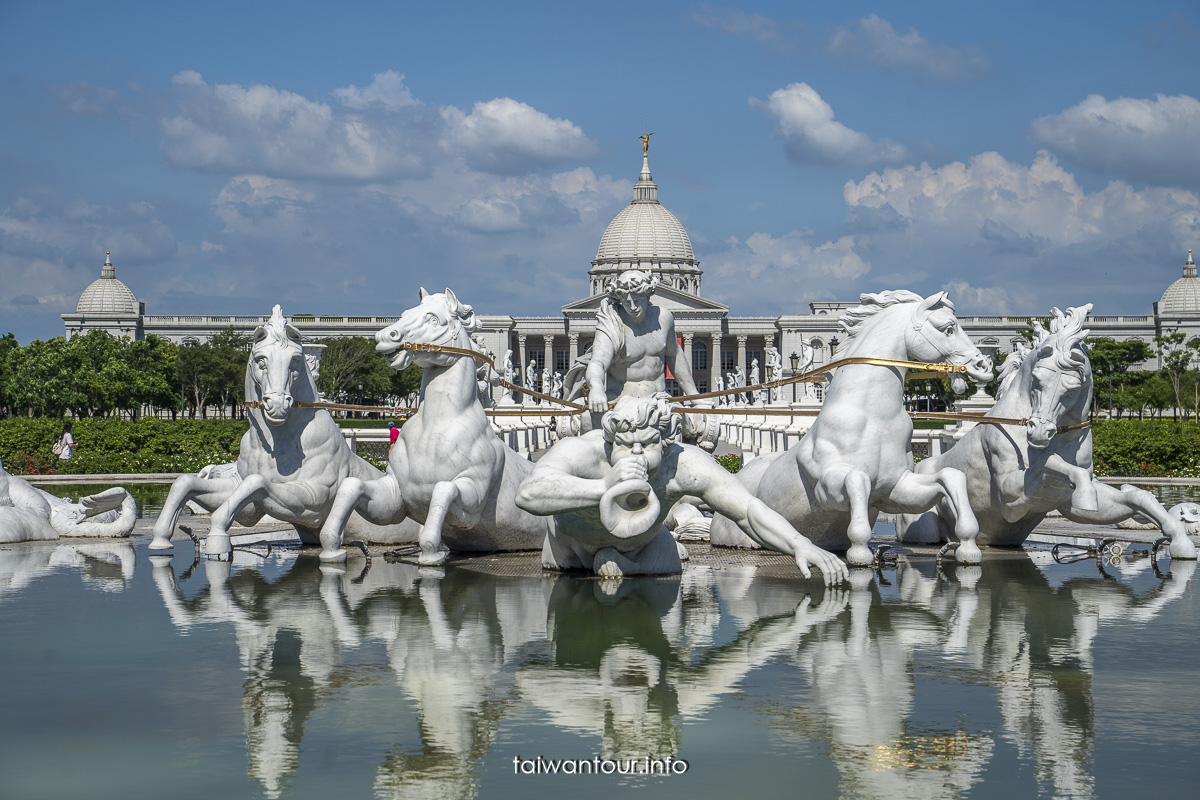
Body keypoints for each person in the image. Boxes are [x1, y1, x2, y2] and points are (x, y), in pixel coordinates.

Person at [515, 395, 848, 583]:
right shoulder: (584, 452)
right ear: (610, 441)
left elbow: (746, 510)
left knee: (669, 560)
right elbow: (529, 493)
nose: (635, 455)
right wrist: (603, 486)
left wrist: (799, 544)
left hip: (640, 551)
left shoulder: (683, 464)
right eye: (625, 445)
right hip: (569, 554)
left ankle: (627, 564)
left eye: (647, 445)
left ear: (666, 441)